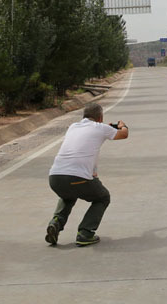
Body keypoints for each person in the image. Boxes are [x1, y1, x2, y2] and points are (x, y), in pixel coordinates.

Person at [46, 102, 129, 247]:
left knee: (68, 195)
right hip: (77, 177)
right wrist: (122, 125)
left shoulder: (73, 126)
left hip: (55, 177)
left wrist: (105, 127)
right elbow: (124, 134)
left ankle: (56, 223)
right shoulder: (101, 127)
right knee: (103, 197)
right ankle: (85, 233)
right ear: (100, 117)